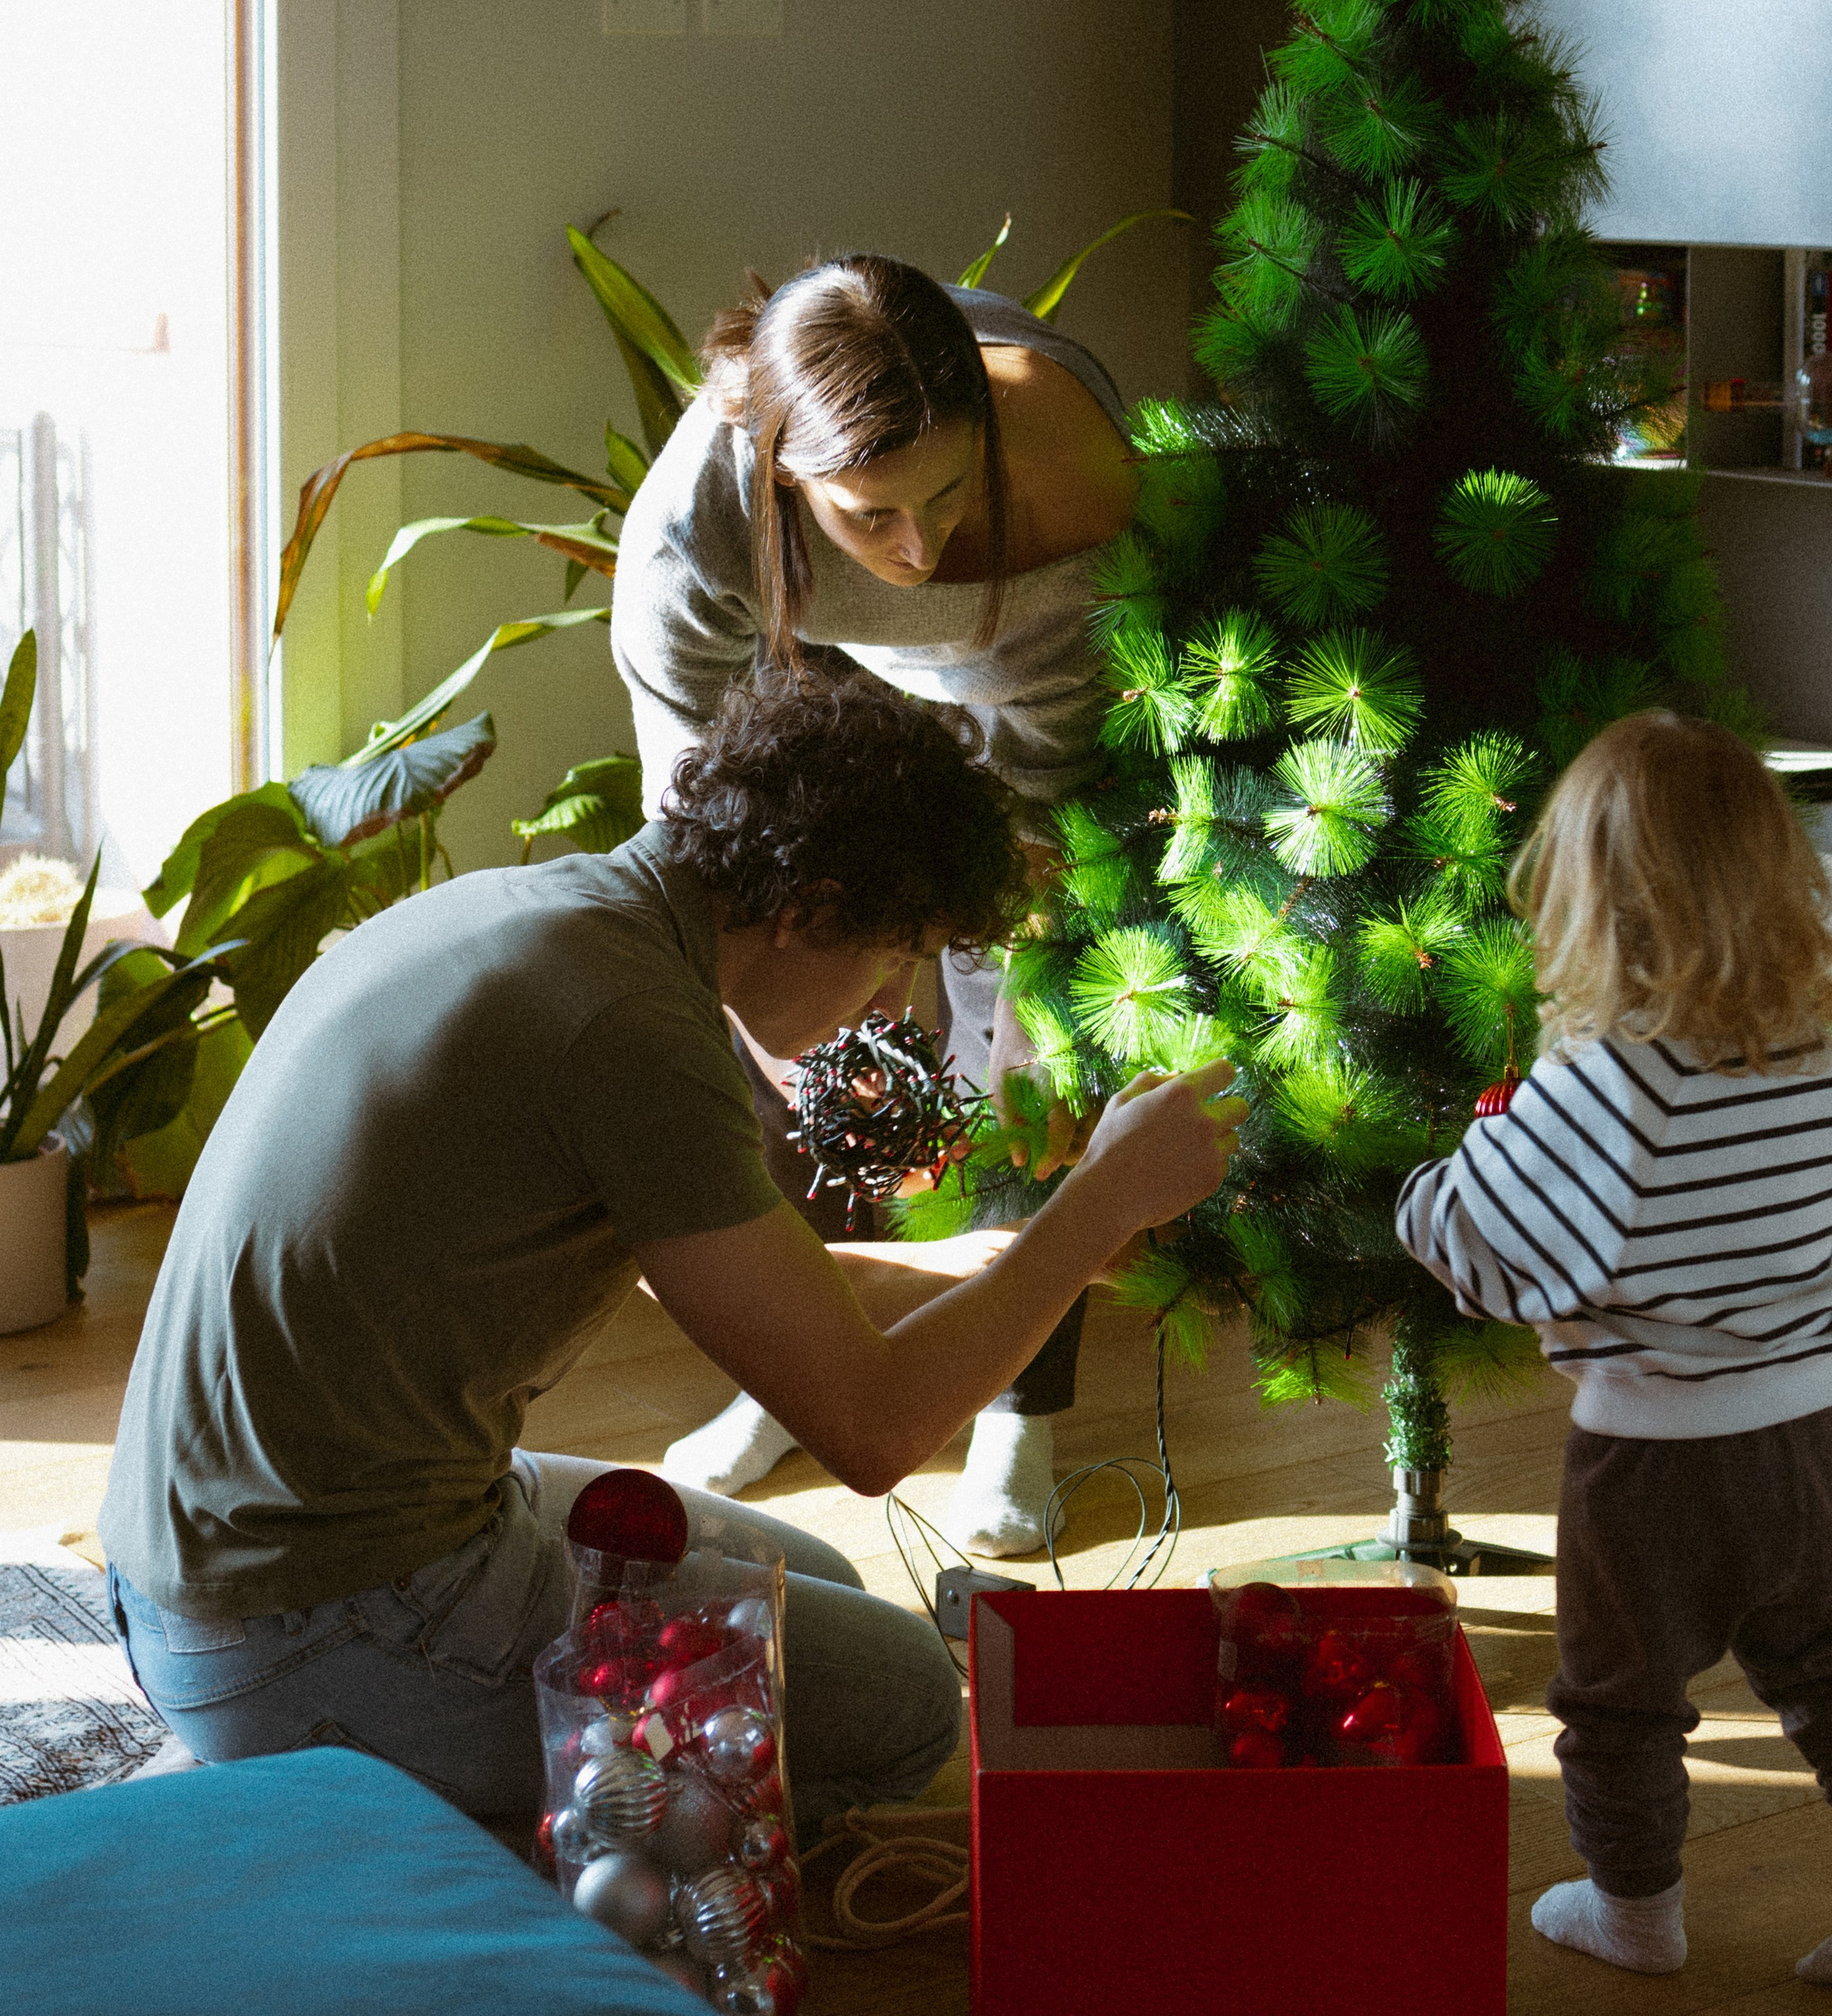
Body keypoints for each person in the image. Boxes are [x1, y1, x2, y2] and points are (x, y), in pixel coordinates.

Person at [100, 674, 1243, 1846]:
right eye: (896, 954)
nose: (889, 1000)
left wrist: (983, 1257)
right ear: (807, 908)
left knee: (813, 1587)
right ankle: (439, 1856)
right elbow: (871, 1435)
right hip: (306, 1625)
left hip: (208, 1569)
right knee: (904, 1701)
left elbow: (724, 1280)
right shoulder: (632, 1023)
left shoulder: (554, 913)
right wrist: (1096, 1207)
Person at [1396, 712, 1832, 1986]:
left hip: (1655, 1456)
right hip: (1817, 1433)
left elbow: (1488, 1256)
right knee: (1830, 1656)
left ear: (1586, 900)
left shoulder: (1607, 1075)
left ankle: (1635, 1910)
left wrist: (1433, 1185)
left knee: (1619, 1697)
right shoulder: (1803, 1058)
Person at [611, 253, 1139, 1557]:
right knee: (801, 1026)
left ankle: (1020, 1399)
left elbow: (1054, 787)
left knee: (1027, 1038)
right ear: (787, 474)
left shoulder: (1072, 479)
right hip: (818, 704)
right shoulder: (699, 525)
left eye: (949, 496)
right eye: (871, 516)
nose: (918, 547)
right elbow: (696, 798)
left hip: (1030, 715)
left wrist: (985, 946)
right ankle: (793, 1369)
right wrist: (804, 1009)